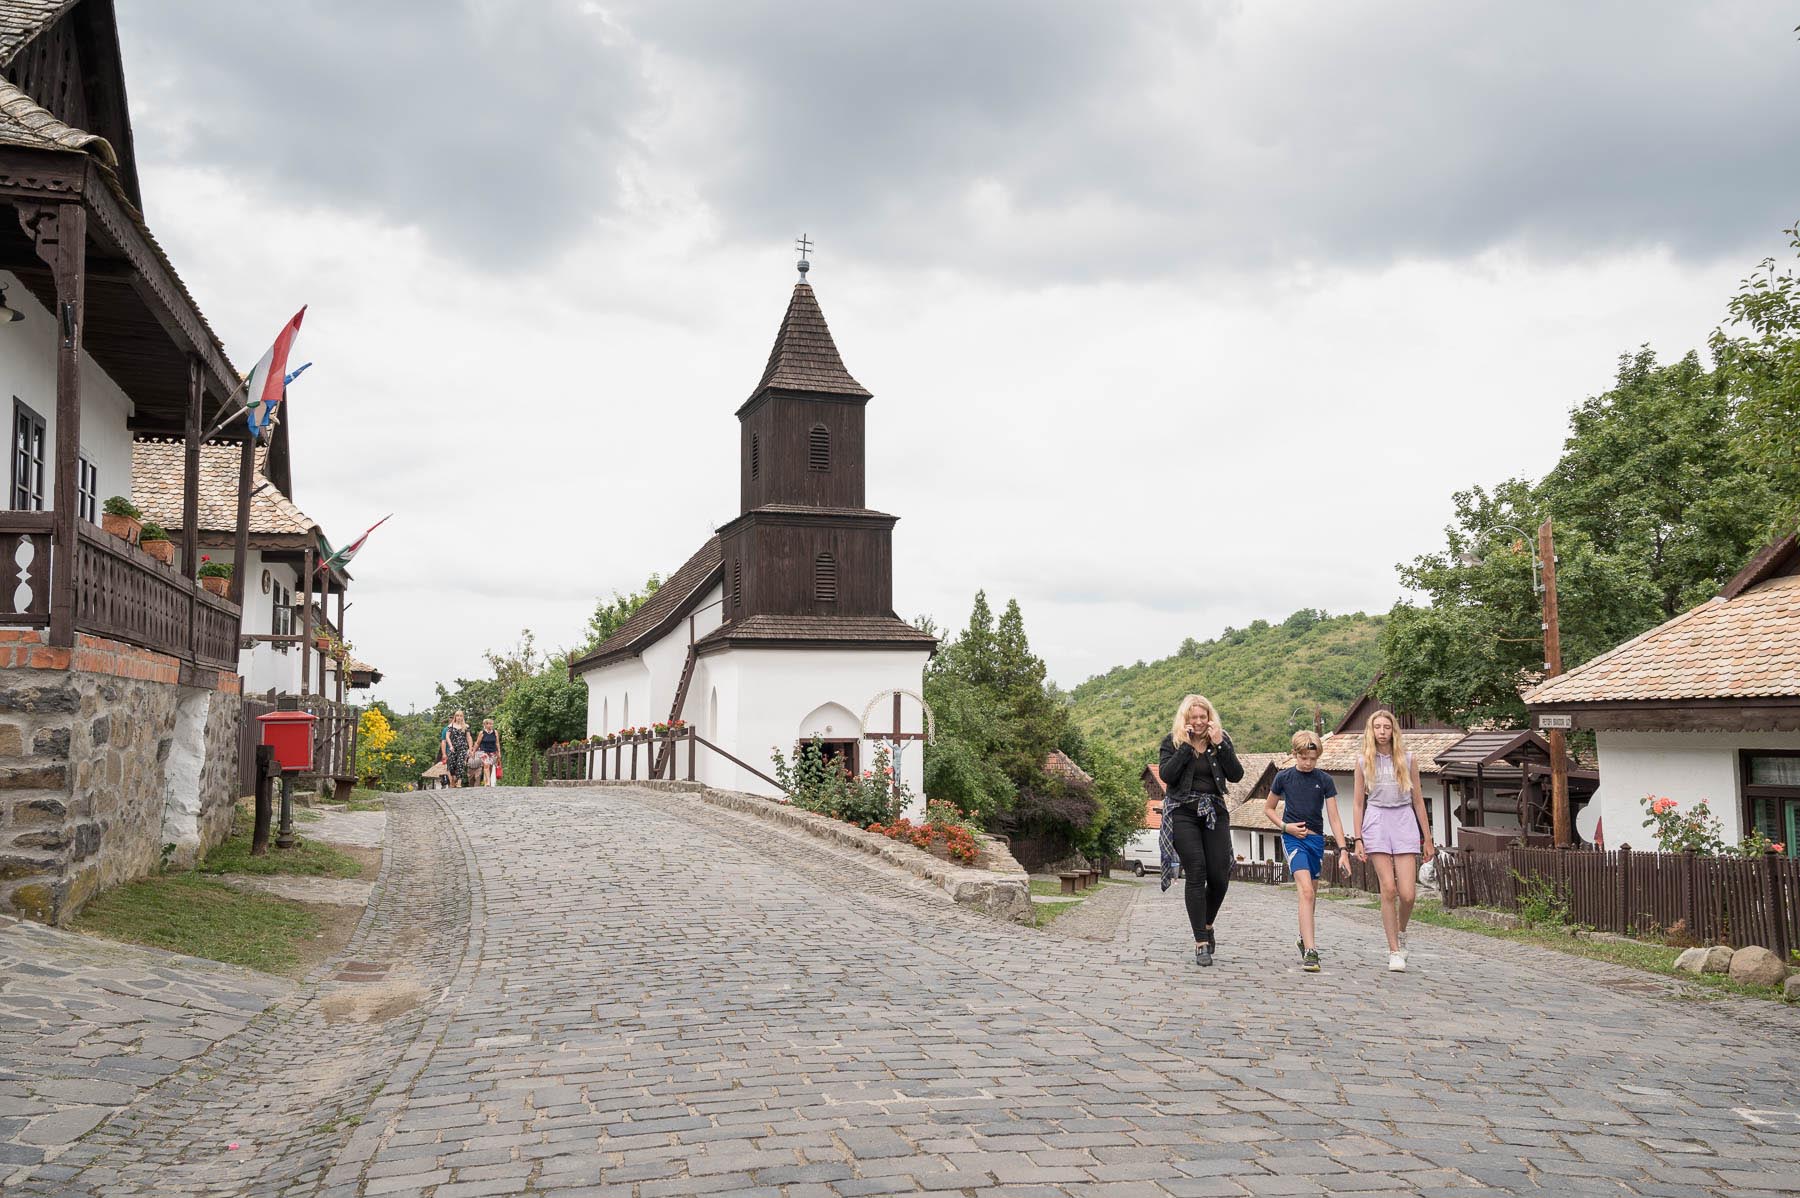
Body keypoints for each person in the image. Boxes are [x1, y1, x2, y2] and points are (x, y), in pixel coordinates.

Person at [1158, 694, 1244, 967]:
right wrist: (1185, 747)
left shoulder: (1220, 741)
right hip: (1182, 811)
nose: (1198, 722)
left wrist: (1221, 745)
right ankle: (1200, 943)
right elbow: (1167, 776)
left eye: (1202, 717)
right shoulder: (1171, 743)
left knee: (1219, 875)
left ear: (1209, 718)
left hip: (1214, 811)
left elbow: (1237, 775)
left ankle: (1207, 924)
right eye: (1193, 718)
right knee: (1196, 870)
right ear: (1185, 720)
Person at [1351, 710, 1436, 971]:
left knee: (1408, 894)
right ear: (1371, 730)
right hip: (1376, 820)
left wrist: (1427, 838)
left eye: (1386, 727)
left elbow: (1419, 800)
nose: (1382, 731)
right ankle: (1394, 950)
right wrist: (1358, 838)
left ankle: (1401, 930)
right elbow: (1357, 803)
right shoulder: (1363, 761)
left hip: (1403, 820)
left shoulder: (1408, 759)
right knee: (1388, 888)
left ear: (1393, 730)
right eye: (1377, 727)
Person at [1264, 729, 1349, 973]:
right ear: (1295, 755)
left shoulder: (1324, 780)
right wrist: (1285, 827)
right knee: (1306, 891)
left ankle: (1303, 937)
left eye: (1313, 759)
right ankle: (1311, 952)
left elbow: (1334, 817)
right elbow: (1269, 809)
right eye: (1304, 758)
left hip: (1315, 841)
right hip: (1293, 840)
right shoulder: (1284, 777)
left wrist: (1343, 849)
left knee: (1312, 894)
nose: (1308, 763)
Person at [441, 710, 472, 789]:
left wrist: (470, 748)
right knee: (451, 765)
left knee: (460, 764)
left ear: (463, 717)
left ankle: (459, 782)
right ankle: (453, 780)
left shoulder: (466, 726)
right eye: (457, 716)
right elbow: (447, 737)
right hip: (453, 748)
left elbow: (469, 737)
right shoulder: (451, 726)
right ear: (455, 717)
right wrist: (450, 746)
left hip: (462, 748)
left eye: (461, 716)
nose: (459, 717)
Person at [473, 718, 502, 787]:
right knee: (486, 765)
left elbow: (497, 743)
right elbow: (477, 743)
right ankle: (488, 782)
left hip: (493, 752)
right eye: (489, 724)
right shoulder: (482, 733)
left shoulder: (495, 732)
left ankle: (486, 780)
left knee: (491, 766)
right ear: (485, 725)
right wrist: (473, 751)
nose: (491, 725)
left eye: (492, 724)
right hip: (484, 751)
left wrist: (499, 752)